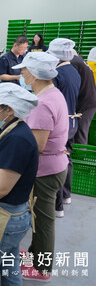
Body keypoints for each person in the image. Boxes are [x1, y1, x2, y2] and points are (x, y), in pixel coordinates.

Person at [11, 52, 69, 282]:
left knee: (43, 220)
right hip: (55, 166)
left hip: (46, 171)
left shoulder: (43, 103)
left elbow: (36, 146)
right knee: (39, 216)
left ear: (35, 74)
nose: (22, 74)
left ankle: (42, 269)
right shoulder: (53, 94)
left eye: (25, 70)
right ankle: (36, 256)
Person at [0, 83, 39, 286]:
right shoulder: (10, 129)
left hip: (4, 218)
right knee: (10, 268)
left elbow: (0, 189)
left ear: (9, 109)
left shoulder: (17, 140)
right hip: (14, 217)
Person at [47, 38, 81, 218]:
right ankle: (67, 195)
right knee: (67, 158)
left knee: (56, 163)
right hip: (72, 122)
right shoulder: (74, 71)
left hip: (61, 124)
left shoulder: (57, 75)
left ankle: (57, 205)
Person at [72, 47, 96, 144]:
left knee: (81, 131)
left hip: (87, 102)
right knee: (80, 130)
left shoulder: (73, 63)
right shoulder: (79, 61)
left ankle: (81, 155)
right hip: (88, 100)